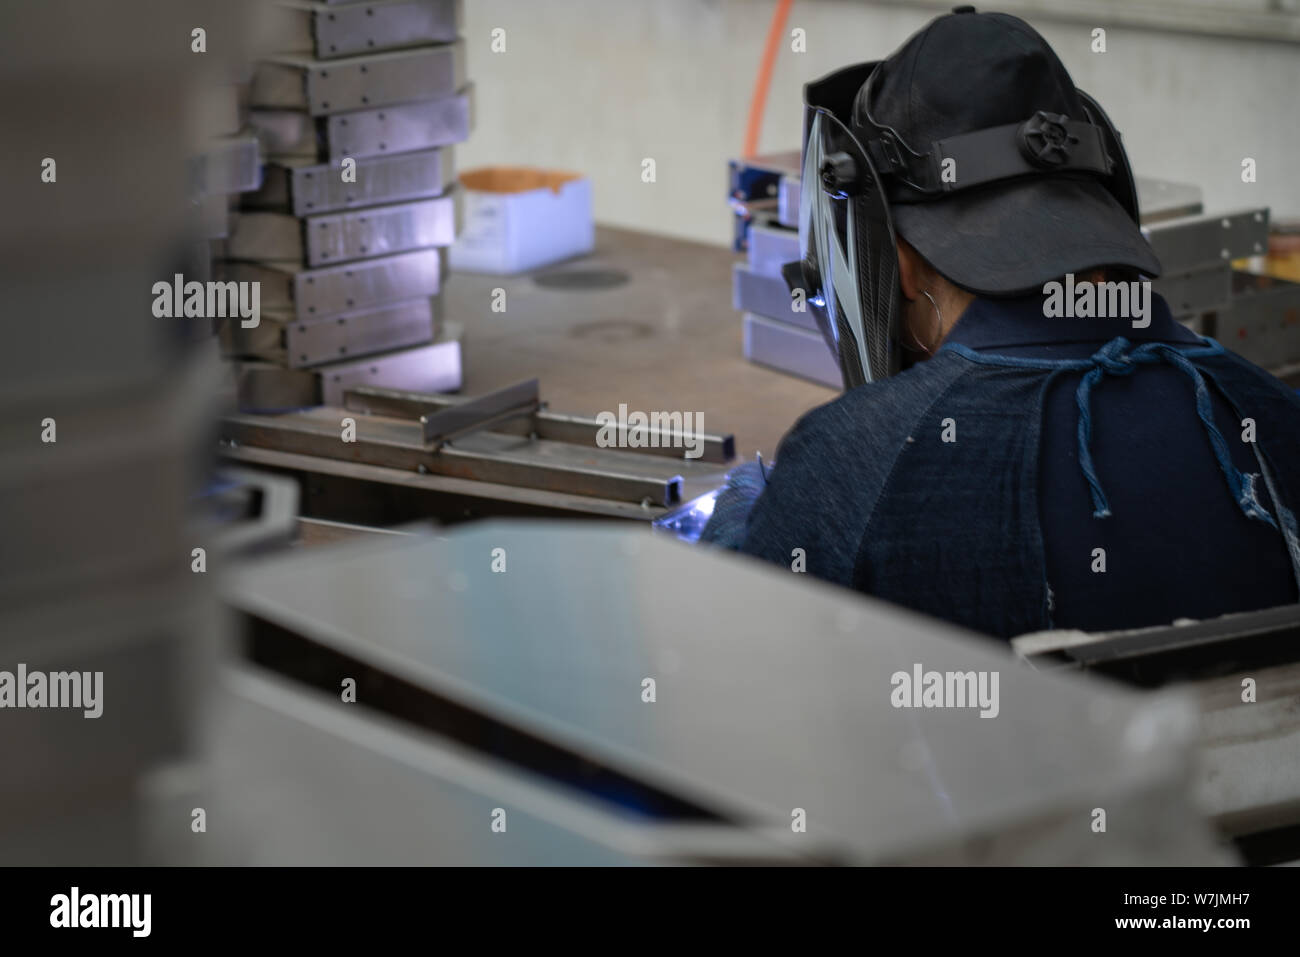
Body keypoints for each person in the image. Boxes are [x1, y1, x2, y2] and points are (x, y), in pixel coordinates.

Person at [700, 7, 1300, 639]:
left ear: (900, 266)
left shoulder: (850, 464)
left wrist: (756, 502)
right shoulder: (1275, 417)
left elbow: (748, 654)